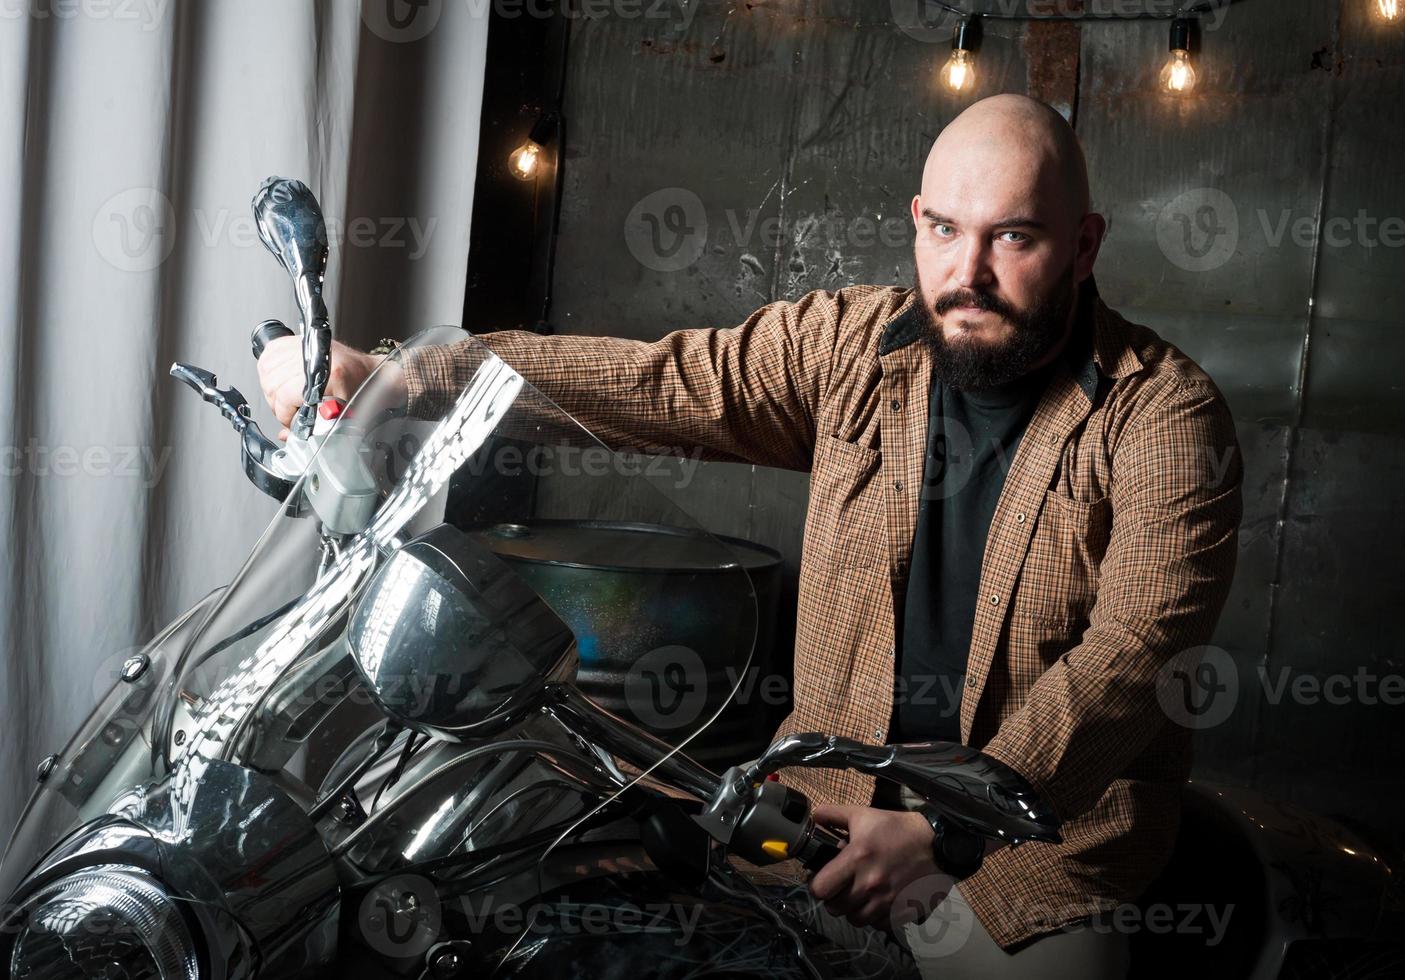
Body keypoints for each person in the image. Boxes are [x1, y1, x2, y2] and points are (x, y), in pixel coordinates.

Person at [258, 94, 1242, 979]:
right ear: (915, 222)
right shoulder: (857, 348)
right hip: (809, 811)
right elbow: (646, 380)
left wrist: (946, 824)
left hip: (1031, 855)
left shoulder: (1164, 416)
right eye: (944, 230)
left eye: (1014, 238)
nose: (966, 274)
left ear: (1084, 244)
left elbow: (1130, 660)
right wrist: (392, 370)